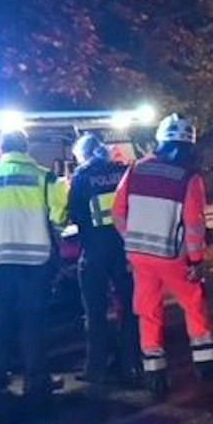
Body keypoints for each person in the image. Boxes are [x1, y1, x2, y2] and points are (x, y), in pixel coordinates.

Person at [114, 114, 213, 395]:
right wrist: (196, 261)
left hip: (139, 255)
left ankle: (155, 373)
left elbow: (118, 212)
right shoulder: (189, 177)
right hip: (172, 256)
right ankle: (205, 365)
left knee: (148, 311)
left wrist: (131, 240)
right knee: (194, 304)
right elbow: (194, 225)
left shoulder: (136, 169)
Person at [0, 129, 69, 409]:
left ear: (2, 148)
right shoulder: (45, 178)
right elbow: (59, 214)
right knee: (32, 321)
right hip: (34, 261)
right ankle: (36, 380)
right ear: (26, 148)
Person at [67, 131, 140, 389]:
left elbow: (75, 214)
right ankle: (131, 363)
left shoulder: (81, 177)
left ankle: (96, 368)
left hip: (94, 252)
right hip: (124, 249)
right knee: (129, 308)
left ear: (84, 155)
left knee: (95, 312)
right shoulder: (123, 172)